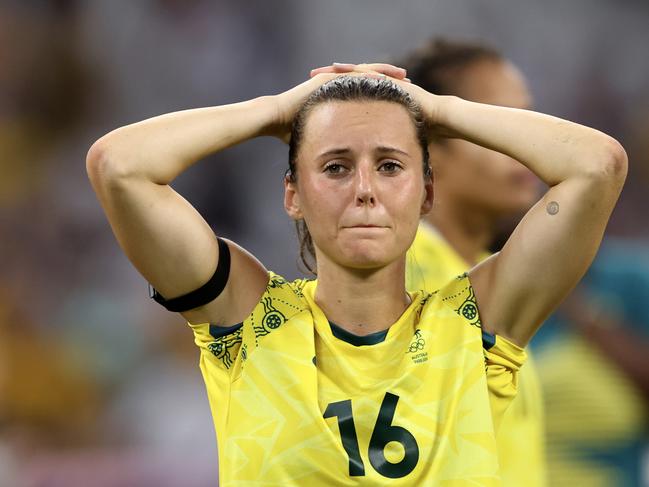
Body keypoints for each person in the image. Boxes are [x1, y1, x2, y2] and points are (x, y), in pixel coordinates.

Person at [86, 62, 627, 485]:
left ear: (427, 193)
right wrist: (277, 109)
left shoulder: (475, 327)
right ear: (292, 193)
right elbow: (120, 165)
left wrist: (432, 109)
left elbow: (597, 165)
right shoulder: (250, 321)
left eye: (390, 166)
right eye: (335, 167)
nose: (364, 190)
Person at [400, 39, 546, 486]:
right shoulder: (400, 277)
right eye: (496, 123)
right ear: (431, 146)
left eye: (527, 118)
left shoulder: (493, 269)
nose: (527, 142)